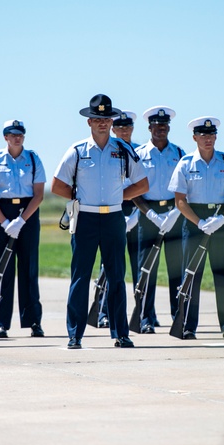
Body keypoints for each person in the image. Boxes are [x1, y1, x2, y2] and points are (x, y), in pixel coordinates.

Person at [51, 94, 148, 349]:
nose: (102, 123)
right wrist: (79, 198)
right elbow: (57, 184)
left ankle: (120, 333)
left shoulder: (123, 149)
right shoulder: (77, 151)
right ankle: (75, 334)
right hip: (85, 219)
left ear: (112, 120)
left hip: (114, 218)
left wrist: (119, 197)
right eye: (97, 119)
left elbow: (142, 183)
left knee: (117, 277)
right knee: (80, 277)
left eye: (106, 118)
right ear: (89, 122)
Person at [168, 116, 224, 340]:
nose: (208, 139)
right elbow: (180, 200)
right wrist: (199, 222)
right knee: (191, 275)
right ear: (194, 137)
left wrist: (222, 218)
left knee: (223, 274)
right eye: (203, 135)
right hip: (194, 221)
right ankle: (187, 325)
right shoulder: (185, 163)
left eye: (211, 135)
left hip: (219, 220)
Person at [0, 119, 46, 338]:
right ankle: (1, 322)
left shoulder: (33, 159)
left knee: (29, 269)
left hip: (27, 214)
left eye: (20, 134)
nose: (17, 138)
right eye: (12, 134)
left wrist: (21, 221)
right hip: (3, 215)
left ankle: (33, 321)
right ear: (5, 137)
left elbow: (38, 195)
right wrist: (6, 222)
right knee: (4, 271)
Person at [130, 106, 186, 334]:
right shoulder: (140, 154)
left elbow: (186, 188)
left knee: (177, 269)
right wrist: (151, 214)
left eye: (164, 125)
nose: (160, 129)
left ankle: (178, 317)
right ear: (150, 127)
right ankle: (144, 318)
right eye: (156, 125)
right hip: (148, 215)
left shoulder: (180, 154)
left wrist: (174, 213)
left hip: (174, 214)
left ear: (168, 127)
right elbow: (133, 190)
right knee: (147, 270)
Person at [95, 110, 141, 328]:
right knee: (108, 267)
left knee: (139, 266)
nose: (124, 131)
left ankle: (142, 313)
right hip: (112, 210)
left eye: (128, 127)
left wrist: (139, 214)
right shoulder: (107, 150)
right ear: (113, 129)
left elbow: (144, 188)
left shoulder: (139, 152)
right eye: (120, 128)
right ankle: (103, 311)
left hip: (137, 211)